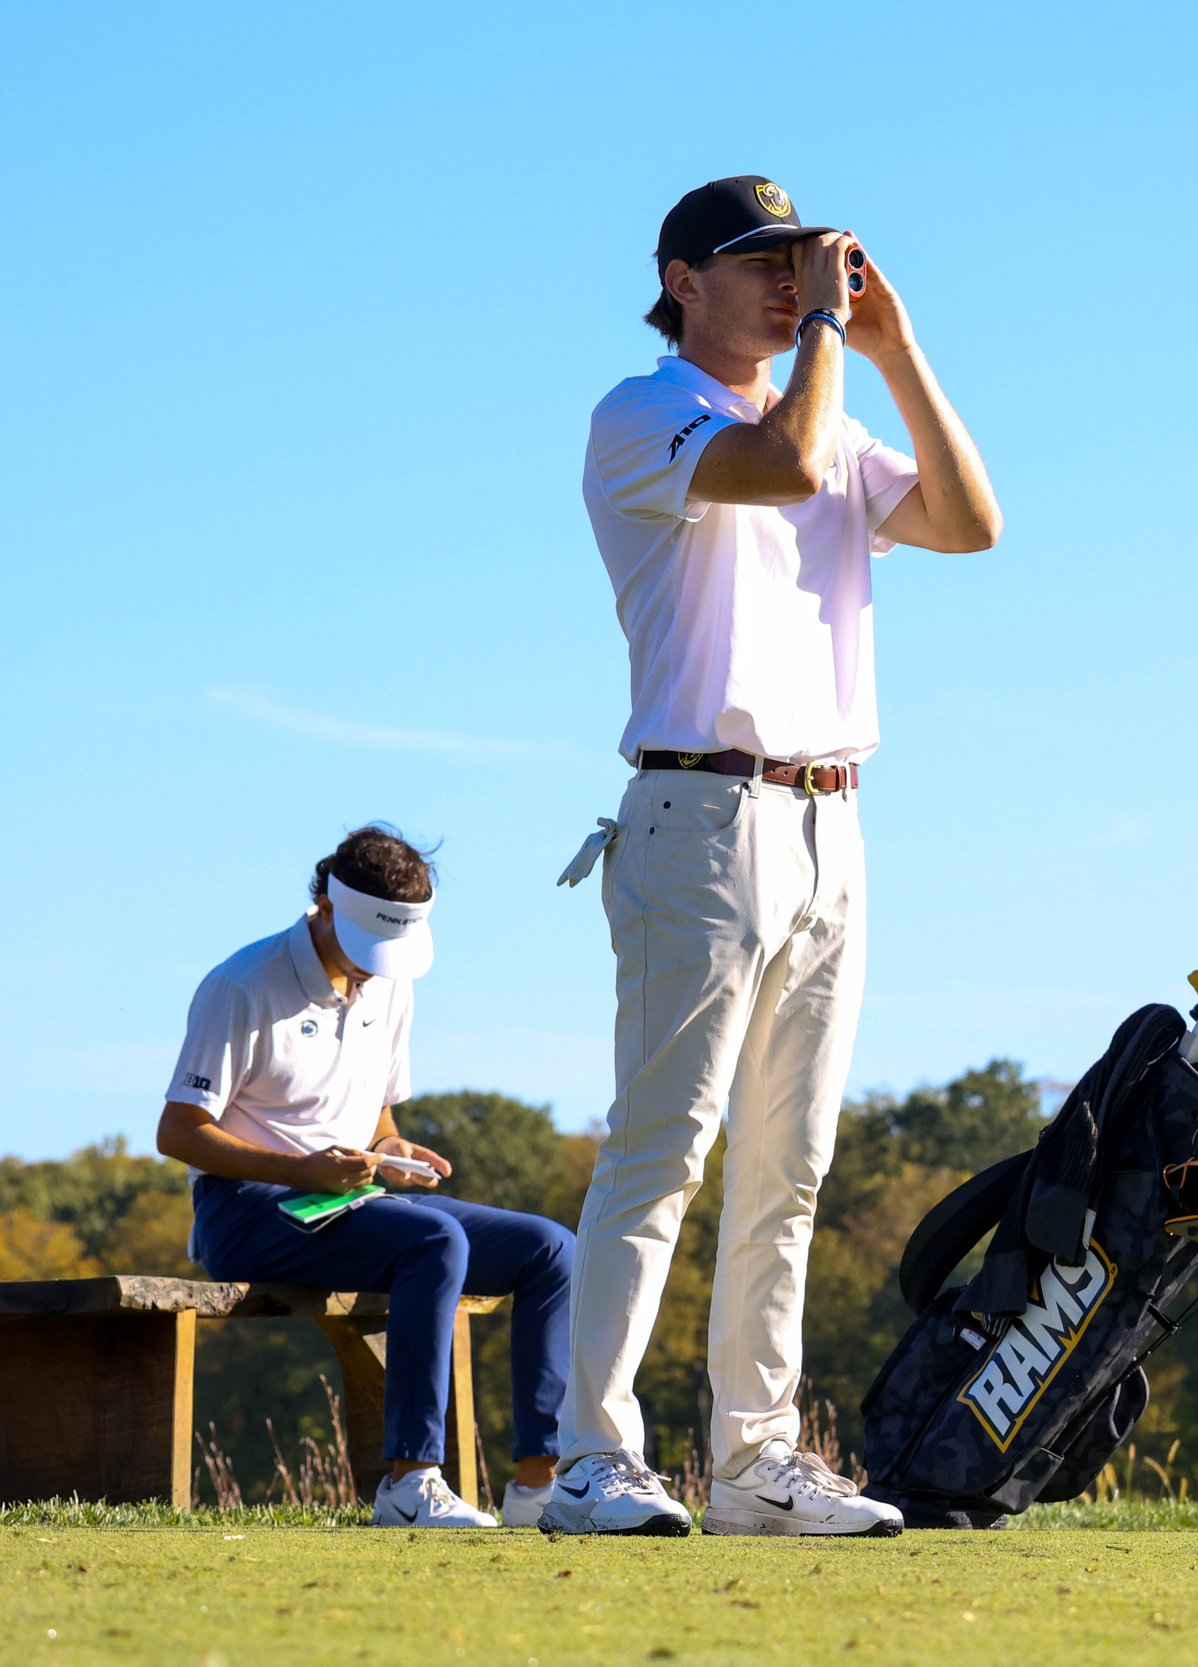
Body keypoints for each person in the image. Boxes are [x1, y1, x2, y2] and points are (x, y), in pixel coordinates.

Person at [547, 176, 1001, 1539]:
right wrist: (822, 344)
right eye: (761, 264)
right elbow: (783, 468)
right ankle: (592, 1455)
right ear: (681, 278)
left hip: (832, 817)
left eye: (800, 264)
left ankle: (755, 1459)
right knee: (663, 1145)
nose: (791, 283)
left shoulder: (837, 411)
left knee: (790, 1163)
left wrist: (896, 348)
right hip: (700, 814)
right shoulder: (644, 410)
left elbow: (971, 521)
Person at [158, 825, 575, 1529]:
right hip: (246, 1211)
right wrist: (305, 1167)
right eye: (368, 946)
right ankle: (411, 1481)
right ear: (323, 902)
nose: (379, 966)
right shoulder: (241, 985)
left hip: (348, 1196)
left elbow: (376, 1113)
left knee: (550, 1247)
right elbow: (179, 1133)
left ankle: (538, 1487)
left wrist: (391, 1148)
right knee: (434, 1241)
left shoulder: (390, 984)